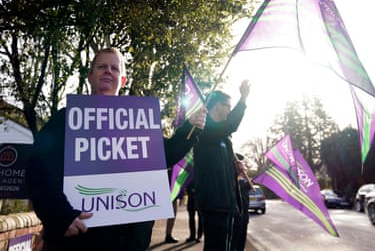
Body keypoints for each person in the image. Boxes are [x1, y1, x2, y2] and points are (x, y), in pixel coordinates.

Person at [26, 47, 207, 251]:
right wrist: (60, 215)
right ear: (90, 76)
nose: (108, 71)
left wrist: (188, 129)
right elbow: (38, 170)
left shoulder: (139, 124)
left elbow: (163, 155)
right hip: (78, 241)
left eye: (114, 68)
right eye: (102, 67)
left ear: (122, 80)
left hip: (129, 242)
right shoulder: (65, 120)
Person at [193, 81, 250, 251]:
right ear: (218, 106)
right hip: (213, 203)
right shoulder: (204, 129)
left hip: (227, 203)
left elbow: (220, 168)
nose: (229, 110)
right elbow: (231, 124)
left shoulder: (224, 138)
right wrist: (243, 99)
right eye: (228, 106)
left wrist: (236, 170)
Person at [231, 153, 252, 251]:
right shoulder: (231, 180)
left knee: (241, 241)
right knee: (232, 242)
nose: (241, 166)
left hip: (244, 215)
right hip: (234, 216)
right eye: (238, 163)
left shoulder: (244, 181)